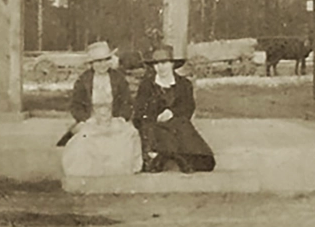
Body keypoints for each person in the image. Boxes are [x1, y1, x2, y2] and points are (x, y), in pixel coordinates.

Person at [60, 41, 142, 177]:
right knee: (84, 139)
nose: (102, 65)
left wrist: (121, 118)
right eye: (98, 62)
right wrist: (86, 119)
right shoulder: (84, 80)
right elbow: (76, 105)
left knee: (126, 135)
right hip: (92, 120)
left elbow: (127, 102)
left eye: (105, 60)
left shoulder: (118, 78)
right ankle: (90, 173)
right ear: (91, 63)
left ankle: (115, 172)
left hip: (113, 119)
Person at [133, 44, 215, 173]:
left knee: (205, 160)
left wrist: (172, 113)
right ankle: (173, 157)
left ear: (172, 64)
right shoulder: (147, 85)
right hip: (154, 125)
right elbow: (139, 110)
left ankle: (174, 156)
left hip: (177, 123)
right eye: (157, 64)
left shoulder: (184, 84)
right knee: (155, 133)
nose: (161, 67)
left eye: (164, 63)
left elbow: (188, 107)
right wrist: (155, 116)